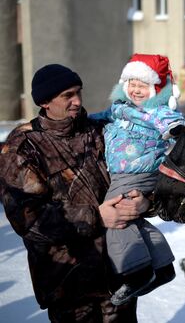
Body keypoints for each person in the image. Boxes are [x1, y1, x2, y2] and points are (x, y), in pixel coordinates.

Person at [0, 64, 151, 322]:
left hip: (118, 275)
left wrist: (145, 202)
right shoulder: (23, 146)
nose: (77, 101)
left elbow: (133, 173)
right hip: (70, 287)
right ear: (45, 101)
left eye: (78, 92)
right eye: (67, 95)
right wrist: (97, 216)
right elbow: (29, 220)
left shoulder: (97, 132)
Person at [94, 54, 185, 305]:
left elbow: (170, 120)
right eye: (132, 83)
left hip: (138, 170)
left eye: (143, 85)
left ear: (155, 89)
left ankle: (137, 272)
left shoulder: (155, 110)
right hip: (127, 172)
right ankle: (162, 265)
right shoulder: (120, 109)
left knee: (115, 216)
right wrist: (85, 121)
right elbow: (100, 117)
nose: (136, 90)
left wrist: (176, 128)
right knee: (131, 218)